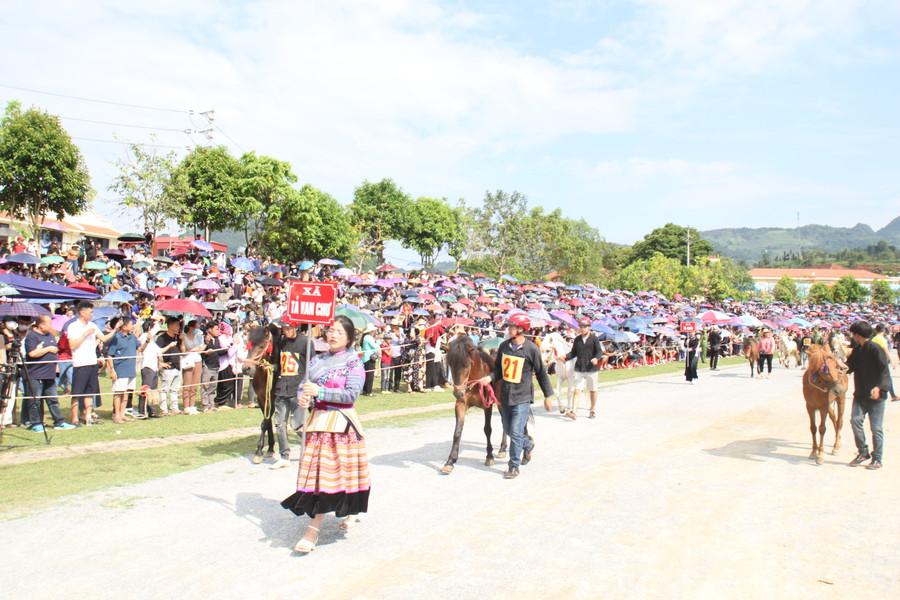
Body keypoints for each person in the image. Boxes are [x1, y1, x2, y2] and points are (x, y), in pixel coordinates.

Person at [281, 315, 370, 554]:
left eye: (339, 332)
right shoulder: (317, 360)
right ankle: (342, 514)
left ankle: (313, 529)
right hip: (317, 423)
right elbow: (304, 386)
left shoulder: (353, 363)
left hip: (340, 426)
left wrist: (319, 391)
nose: (332, 335)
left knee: (334, 475)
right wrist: (303, 396)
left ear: (350, 338)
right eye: (330, 330)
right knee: (319, 476)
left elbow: (351, 395)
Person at [476, 313, 553, 479]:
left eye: (512, 326)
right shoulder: (504, 347)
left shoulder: (532, 349)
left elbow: (541, 373)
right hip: (505, 396)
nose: (509, 329)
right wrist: (489, 378)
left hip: (522, 397)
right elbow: (499, 370)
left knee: (516, 430)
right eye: (509, 326)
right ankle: (528, 444)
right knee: (510, 430)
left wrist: (547, 395)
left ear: (521, 329)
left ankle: (514, 465)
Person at [846, 320, 891, 470]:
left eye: (853, 334)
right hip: (860, 394)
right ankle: (863, 452)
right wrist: (838, 365)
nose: (853, 337)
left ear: (857, 335)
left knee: (876, 428)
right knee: (855, 421)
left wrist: (879, 387)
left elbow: (885, 371)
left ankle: (877, 459)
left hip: (876, 396)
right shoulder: (858, 349)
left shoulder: (875, 348)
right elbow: (849, 366)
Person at [266, 318, 309, 469]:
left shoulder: (305, 342)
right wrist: (270, 367)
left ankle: (310, 449)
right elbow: (279, 363)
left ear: (296, 326)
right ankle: (284, 455)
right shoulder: (281, 343)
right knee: (279, 424)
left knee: (297, 425)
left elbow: (312, 365)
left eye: (288, 328)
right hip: (281, 388)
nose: (285, 331)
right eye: (284, 329)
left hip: (298, 389)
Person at [68, 301, 119, 426]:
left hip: (92, 362)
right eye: (90, 312)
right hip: (80, 363)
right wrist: (85, 334)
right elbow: (72, 345)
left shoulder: (93, 325)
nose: (92, 314)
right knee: (77, 392)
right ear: (82, 312)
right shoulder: (73, 326)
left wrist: (115, 330)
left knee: (91, 391)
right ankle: (74, 418)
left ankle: (88, 416)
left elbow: (104, 338)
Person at [23, 315, 73, 431]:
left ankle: (59, 422)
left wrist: (56, 367)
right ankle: (36, 423)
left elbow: (54, 351)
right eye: (49, 324)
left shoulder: (50, 335)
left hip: (49, 373)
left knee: (53, 399)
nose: (51, 327)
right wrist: (48, 349)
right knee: (35, 400)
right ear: (41, 325)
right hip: (35, 373)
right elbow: (32, 354)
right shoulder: (31, 336)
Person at [564, 316, 603, 420]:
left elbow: (599, 351)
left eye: (585, 327)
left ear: (589, 327)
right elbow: (573, 353)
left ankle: (592, 409)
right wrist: (565, 357)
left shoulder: (594, 338)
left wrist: (596, 358)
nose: (582, 329)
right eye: (581, 327)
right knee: (577, 390)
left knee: (593, 390)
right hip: (579, 368)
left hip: (591, 369)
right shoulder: (577, 339)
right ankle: (574, 411)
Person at [106, 318, 140, 424]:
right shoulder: (116, 337)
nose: (132, 326)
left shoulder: (132, 337)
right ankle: (116, 415)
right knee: (118, 392)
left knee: (126, 393)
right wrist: (112, 370)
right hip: (120, 369)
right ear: (124, 326)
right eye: (130, 324)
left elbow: (140, 348)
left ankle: (122, 414)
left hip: (131, 369)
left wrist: (148, 340)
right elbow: (109, 355)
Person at [156, 316, 184, 415]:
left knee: (175, 389)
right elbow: (157, 351)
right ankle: (163, 409)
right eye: (176, 325)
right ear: (170, 325)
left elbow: (182, 351)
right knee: (164, 389)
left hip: (177, 365)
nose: (178, 327)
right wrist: (160, 362)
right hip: (168, 366)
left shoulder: (178, 337)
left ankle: (174, 408)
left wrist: (182, 340)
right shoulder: (162, 338)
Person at [359, 324, 378, 396]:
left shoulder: (365, 337)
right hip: (369, 358)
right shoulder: (369, 337)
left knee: (366, 374)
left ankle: (365, 390)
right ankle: (369, 391)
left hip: (365, 357)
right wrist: (379, 342)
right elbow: (374, 346)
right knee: (370, 375)